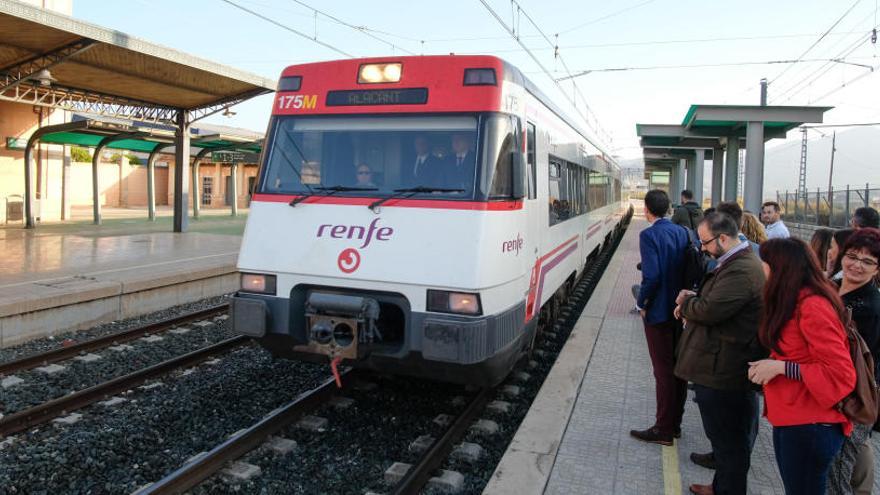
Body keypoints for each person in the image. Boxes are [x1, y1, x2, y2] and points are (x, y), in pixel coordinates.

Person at [747, 238, 856, 495]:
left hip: (812, 425)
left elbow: (840, 372)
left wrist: (780, 368)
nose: (761, 267)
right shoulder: (794, 300)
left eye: (766, 263)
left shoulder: (813, 306)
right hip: (794, 418)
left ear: (782, 269)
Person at [674, 212, 767, 495]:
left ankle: (727, 490)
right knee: (726, 442)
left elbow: (710, 310)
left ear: (723, 238)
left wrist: (687, 302)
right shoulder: (736, 262)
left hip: (724, 370)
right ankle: (720, 486)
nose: (702, 248)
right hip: (720, 365)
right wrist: (696, 301)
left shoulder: (741, 269)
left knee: (730, 445)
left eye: (705, 242)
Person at [630, 189, 690, 447]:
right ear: (668, 209)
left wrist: (641, 302)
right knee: (679, 369)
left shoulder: (649, 235)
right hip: (681, 310)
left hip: (658, 313)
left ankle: (663, 429)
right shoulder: (683, 233)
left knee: (662, 371)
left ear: (647, 209)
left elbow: (652, 277)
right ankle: (675, 424)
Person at [827, 228, 880, 495]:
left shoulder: (866, 306)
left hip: (852, 399)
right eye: (852, 256)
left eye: (868, 261)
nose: (857, 265)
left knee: (837, 474)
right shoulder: (835, 287)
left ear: (877, 269)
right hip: (836, 395)